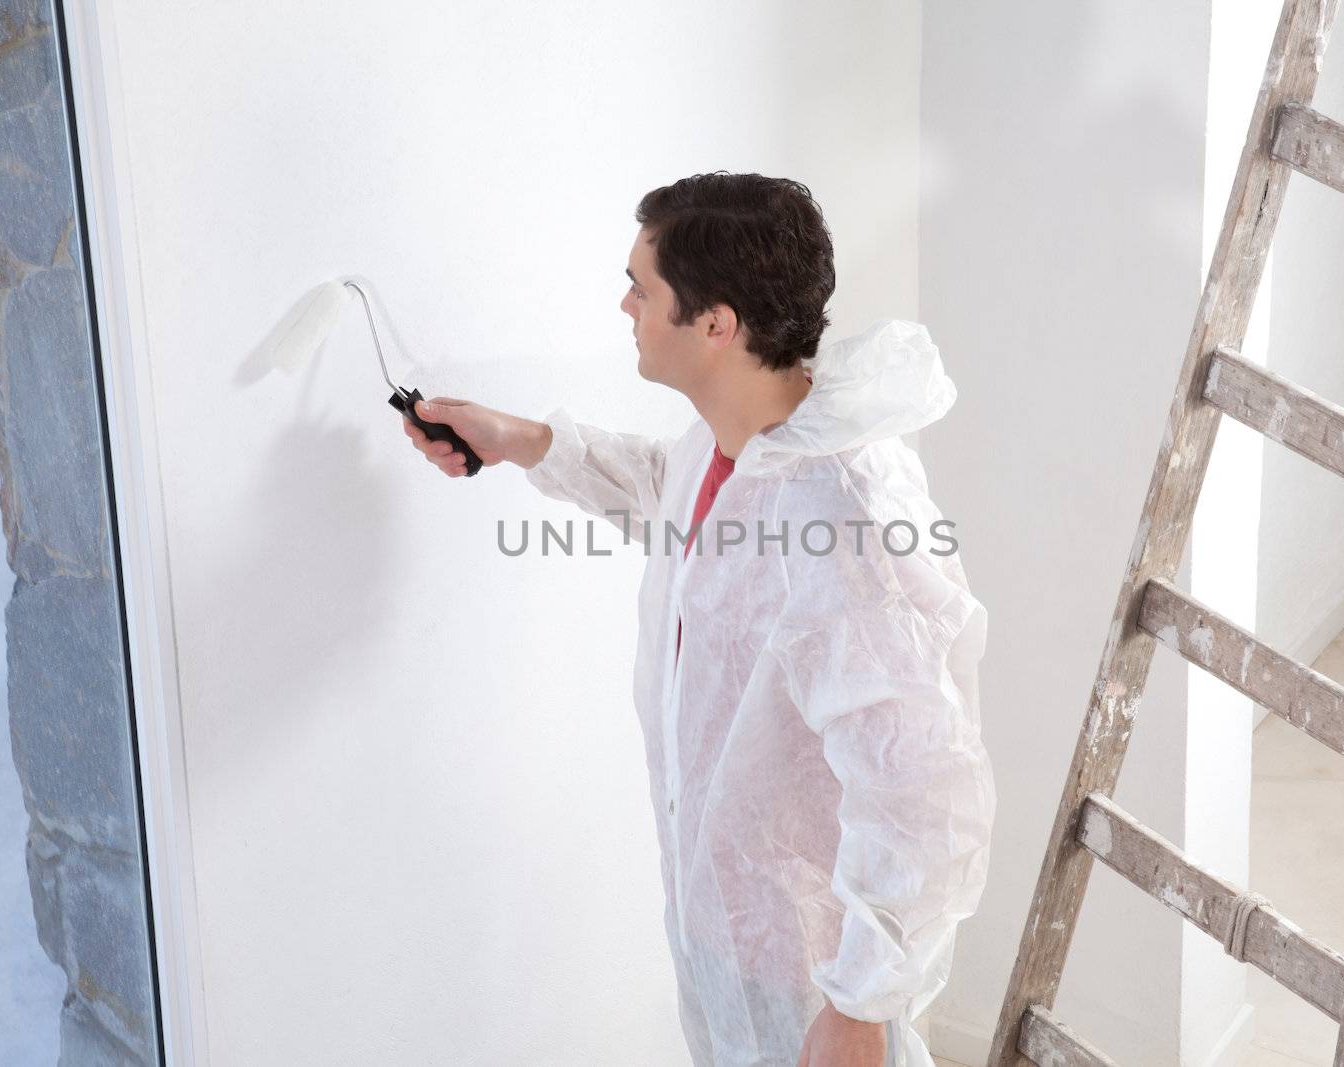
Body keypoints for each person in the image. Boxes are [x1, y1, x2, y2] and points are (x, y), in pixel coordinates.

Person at [403, 172, 995, 1067]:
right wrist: (521, 439)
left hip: (814, 967)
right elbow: (680, 505)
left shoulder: (844, 513)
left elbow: (924, 792)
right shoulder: (737, 449)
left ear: (715, 324)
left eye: (644, 287)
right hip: (731, 924)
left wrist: (860, 1003)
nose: (625, 304)